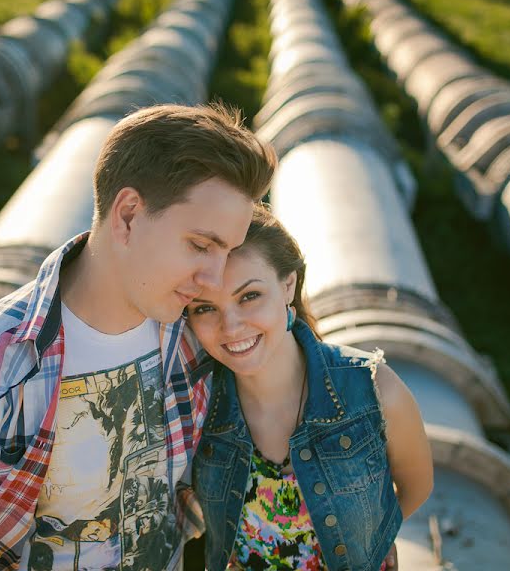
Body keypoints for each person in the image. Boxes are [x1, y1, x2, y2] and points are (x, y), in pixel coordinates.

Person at [0, 103, 276, 570]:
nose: (213, 277)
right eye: (201, 246)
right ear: (127, 215)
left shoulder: (196, 335)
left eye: (227, 252)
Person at [185, 206, 433, 571]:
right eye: (205, 308)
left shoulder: (373, 390)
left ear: (288, 284)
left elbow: (416, 486)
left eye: (249, 296)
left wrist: (373, 541)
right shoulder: (196, 405)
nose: (231, 326)